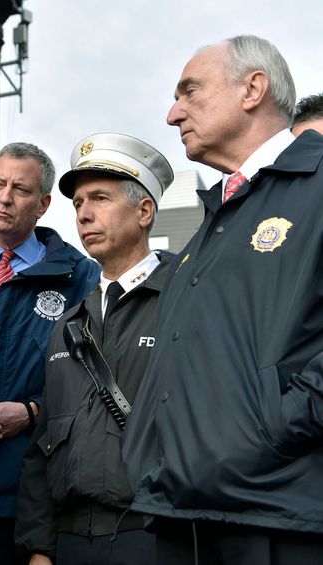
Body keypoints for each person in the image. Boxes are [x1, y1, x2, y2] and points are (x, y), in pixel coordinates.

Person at [122, 35, 323, 564]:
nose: (172, 114)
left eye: (189, 91)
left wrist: (277, 427)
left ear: (253, 89)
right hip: (182, 514)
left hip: (280, 515)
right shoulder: (209, 226)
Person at [15, 133, 175, 565]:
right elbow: (43, 445)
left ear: (144, 211)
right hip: (71, 542)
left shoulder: (184, 301)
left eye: (100, 198)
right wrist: (39, 547)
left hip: (153, 537)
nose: (84, 214)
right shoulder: (69, 324)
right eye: (78, 203)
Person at [0, 142, 100, 564]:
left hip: (29, 505)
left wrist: (31, 412)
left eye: (20, 189)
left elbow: (94, 385)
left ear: (43, 205)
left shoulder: (81, 279)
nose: (4, 197)